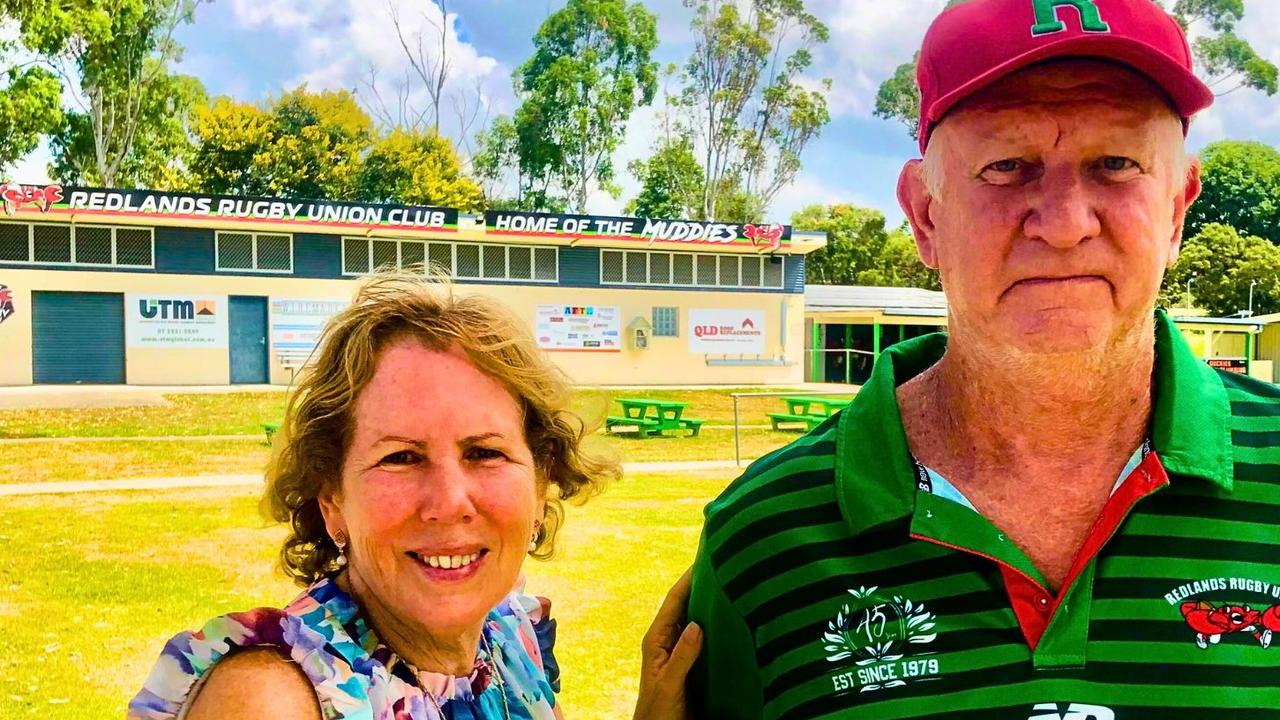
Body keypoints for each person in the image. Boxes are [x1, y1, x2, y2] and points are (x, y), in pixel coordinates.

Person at [687, 0, 1280, 717]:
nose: (1063, 223)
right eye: (1007, 166)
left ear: (1178, 207)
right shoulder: (766, 535)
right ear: (925, 214)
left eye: (1116, 163)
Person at [128, 272, 621, 719]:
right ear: (332, 503)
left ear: (540, 484)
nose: (450, 501)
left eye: (485, 453)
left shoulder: (510, 637)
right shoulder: (274, 701)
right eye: (401, 457)